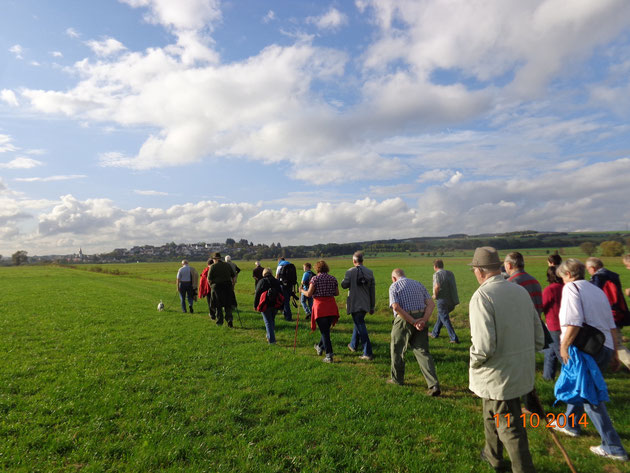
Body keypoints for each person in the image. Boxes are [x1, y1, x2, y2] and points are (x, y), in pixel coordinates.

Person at [469, 247, 544, 473]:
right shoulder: (520, 291)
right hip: (519, 369)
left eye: (474, 269)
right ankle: (493, 456)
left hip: (498, 374)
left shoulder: (482, 296)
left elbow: (484, 346)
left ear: (480, 271)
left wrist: (473, 362)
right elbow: (539, 337)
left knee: (510, 428)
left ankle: (523, 468)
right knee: (490, 415)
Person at [553, 259, 628, 462]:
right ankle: (569, 424)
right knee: (583, 386)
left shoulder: (571, 289)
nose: (563, 282)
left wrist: (564, 345)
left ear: (567, 274)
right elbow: (611, 323)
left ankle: (613, 446)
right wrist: (613, 352)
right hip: (605, 346)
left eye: (562, 278)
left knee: (590, 397)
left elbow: (574, 321)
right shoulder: (597, 290)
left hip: (586, 349)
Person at [388, 268, 440, 396]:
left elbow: (395, 307)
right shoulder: (418, 283)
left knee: (397, 349)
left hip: (404, 320)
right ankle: (433, 385)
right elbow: (431, 304)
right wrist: (423, 320)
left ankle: (397, 379)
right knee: (422, 351)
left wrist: (412, 321)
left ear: (394, 278)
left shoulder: (394, 286)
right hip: (421, 317)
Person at [586, 257, 630, 370]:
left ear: (592, 268)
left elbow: (594, 295)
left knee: (617, 344)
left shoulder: (599, 278)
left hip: (609, 313)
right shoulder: (612, 276)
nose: (588, 272)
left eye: (588, 269)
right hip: (618, 311)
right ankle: (610, 364)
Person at [300, 260, 339, 363]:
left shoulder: (315, 279)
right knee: (326, 330)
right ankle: (320, 347)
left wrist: (301, 291)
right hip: (331, 306)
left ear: (317, 268)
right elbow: (337, 293)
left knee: (325, 332)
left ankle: (329, 355)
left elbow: (309, 294)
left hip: (320, 307)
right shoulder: (333, 278)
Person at [341, 251, 376, 360]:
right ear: (362, 260)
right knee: (358, 323)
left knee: (360, 325)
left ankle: (367, 352)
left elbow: (343, 285)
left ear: (354, 261)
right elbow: (372, 291)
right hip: (366, 303)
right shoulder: (370, 272)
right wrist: (372, 306)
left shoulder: (350, 272)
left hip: (355, 303)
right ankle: (353, 345)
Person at [429, 259, 460, 344]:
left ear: (435, 266)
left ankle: (453, 338)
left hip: (442, 300)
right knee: (441, 316)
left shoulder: (437, 274)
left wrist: (435, 295)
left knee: (445, 318)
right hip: (452, 300)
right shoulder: (450, 273)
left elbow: (437, 286)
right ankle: (435, 333)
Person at [541, 266, 563, 380]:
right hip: (564, 325)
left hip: (554, 325)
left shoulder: (549, 290)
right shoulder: (565, 287)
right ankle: (548, 377)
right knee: (550, 352)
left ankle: (574, 375)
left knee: (561, 354)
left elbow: (542, 306)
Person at [254, 268, 282, 344]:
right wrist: (281, 306)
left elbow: (257, 293)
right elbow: (281, 293)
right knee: (271, 320)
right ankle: (269, 335)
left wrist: (255, 305)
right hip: (275, 304)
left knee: (268, 322)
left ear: (264, 274)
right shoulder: (276, 281)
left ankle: (272, 340)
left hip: (265, 304)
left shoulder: (262, 281)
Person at [208, 252, 237, 327]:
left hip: (217, 287)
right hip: (227, 286)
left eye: (213, 259)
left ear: (215, 259)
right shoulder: (227, 265)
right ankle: (229, 319)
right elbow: (233, 276)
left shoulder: (213, 266)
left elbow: (209, 279)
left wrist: (211, 286)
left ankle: (220, 321)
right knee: (228, 304)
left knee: (218, 305)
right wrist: (232, 285)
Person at [276, 257, 295, 321]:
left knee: (285, 301)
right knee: (287, 300)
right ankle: (285, 314)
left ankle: (288, 317)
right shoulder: (290, 265)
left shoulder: (280, 266)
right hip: (290, 285)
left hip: (283, 285)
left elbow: (277, 276)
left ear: (279, 261)